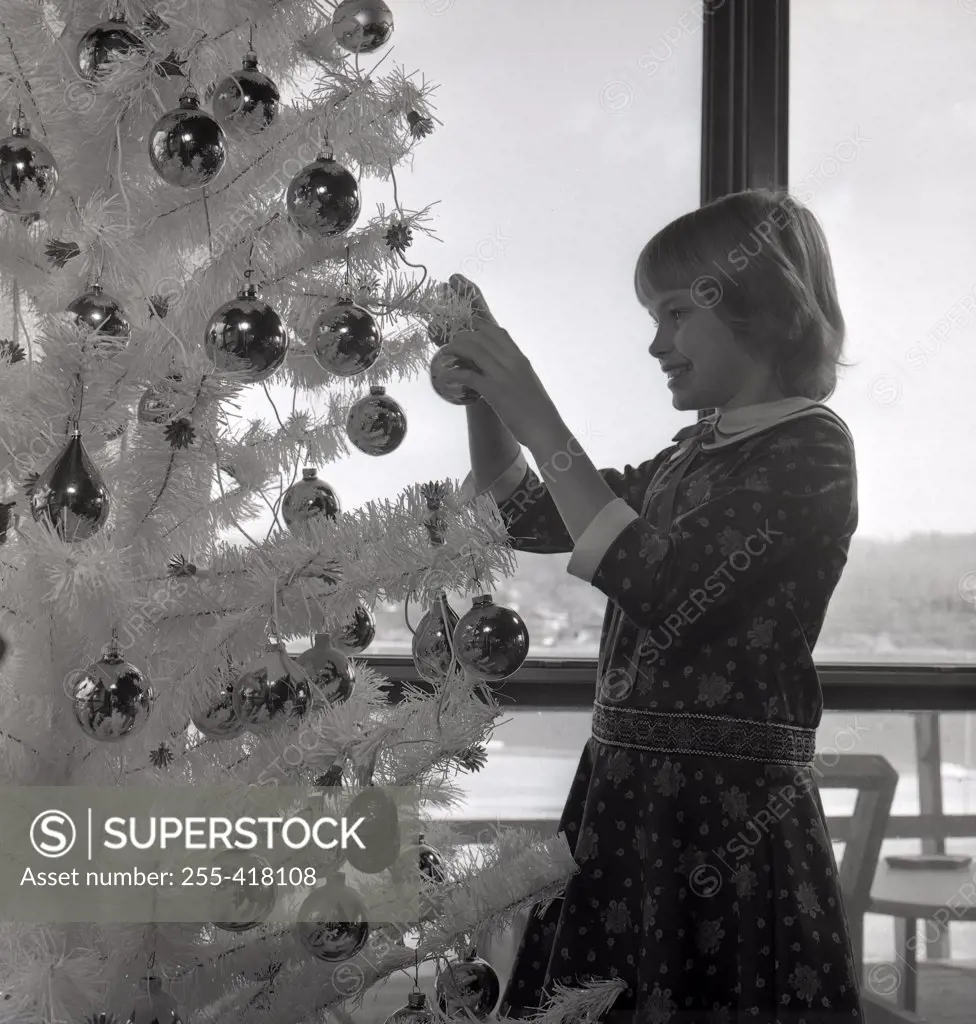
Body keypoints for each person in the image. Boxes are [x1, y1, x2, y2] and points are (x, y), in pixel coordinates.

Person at [445, 188, 863, 1023]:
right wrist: (487, 398)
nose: (655, 342)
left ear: (764, 306)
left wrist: (533, 405)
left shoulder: (812, 446)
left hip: (728, 822)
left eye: (675, 313)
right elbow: (527, 515)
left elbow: (659, 581)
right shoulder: (686, 457)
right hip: (627, 804)